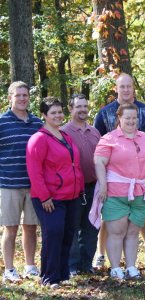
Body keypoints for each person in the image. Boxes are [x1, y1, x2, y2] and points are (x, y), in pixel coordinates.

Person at [93, 73, 145, 269]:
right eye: (122, 86)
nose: (126, 90)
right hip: (115, 184)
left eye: (129, 86)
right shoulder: (104, 114)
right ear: (116, 88)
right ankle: (102, 255)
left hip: (140, 182)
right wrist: (104, 183)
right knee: (113, 223)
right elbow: (99, 150)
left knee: (138, 222)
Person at [26, 97, 84, 288]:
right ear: (44, 115)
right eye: (53, 113)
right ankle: (49, 277)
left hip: (72, 196)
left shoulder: (65, 136)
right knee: (53, 234)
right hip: (50, 198)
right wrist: (45, 196)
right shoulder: (39, 139)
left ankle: (62, 274)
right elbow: (35, 171)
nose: (58, 115)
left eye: (60, 112)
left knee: (67, 234)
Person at [0, 81, 42, 283]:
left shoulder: (37, 123)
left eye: (25, 95)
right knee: (10, 227)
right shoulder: (2, 122)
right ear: (10, 98)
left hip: (33, 184)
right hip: (9, 184)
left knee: (31, 226)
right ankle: (9, 269)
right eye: (18, 95)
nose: (22, 98)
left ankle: (30, 266)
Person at [62, 94, 101, 276]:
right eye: (79, 106)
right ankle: (73, 266)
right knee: (73, 226)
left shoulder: (94, 132)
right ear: (70, 109)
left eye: (85, 106)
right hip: (73, 188)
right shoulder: (63, 132)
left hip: (94, 187)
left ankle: (87, 264)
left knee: (91, 227)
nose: (83, 109)